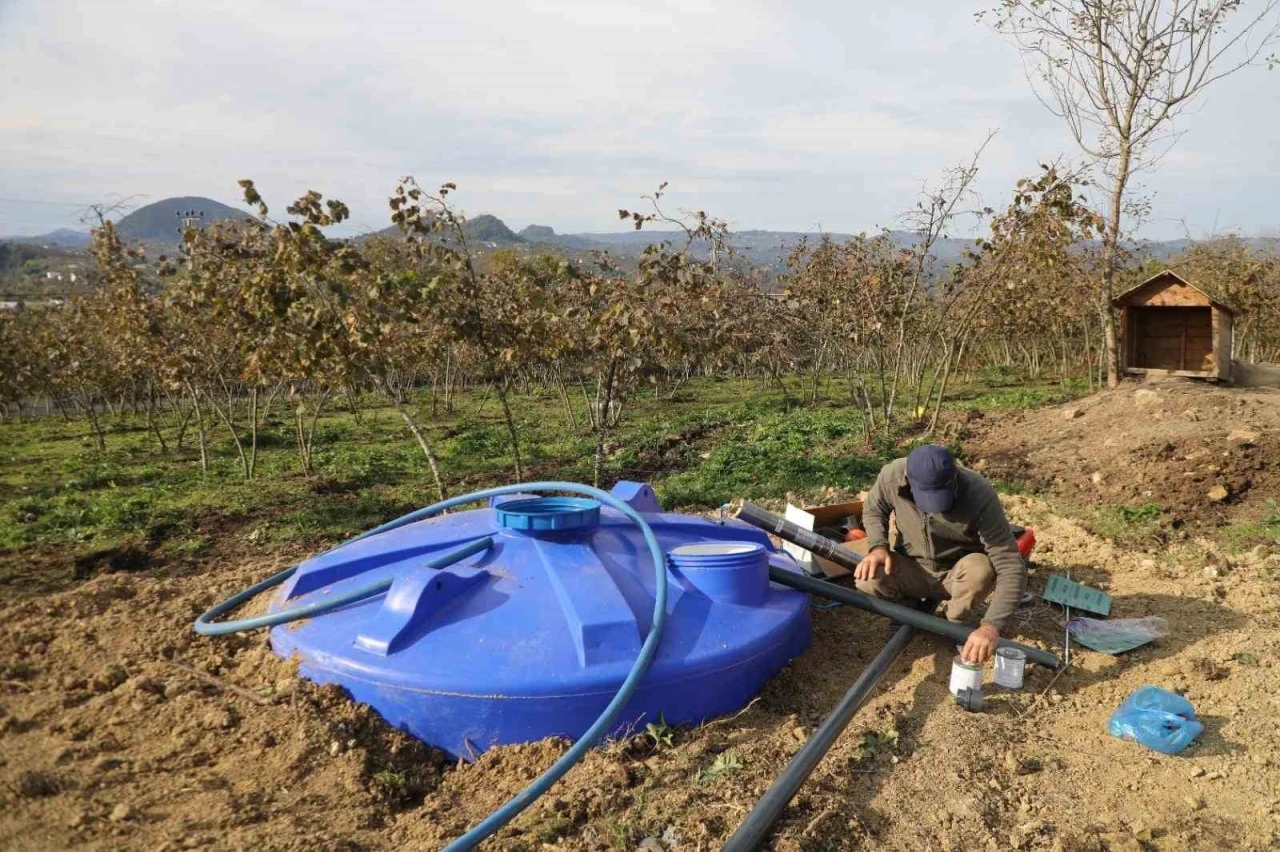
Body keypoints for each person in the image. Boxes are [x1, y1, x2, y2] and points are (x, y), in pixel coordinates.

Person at [854, 444, 1026, 664]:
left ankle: (954, 622)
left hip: (956, 575)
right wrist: (878, 546)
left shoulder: (978, 492)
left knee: (980, 569)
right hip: (912, 567)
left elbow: (1010, 563)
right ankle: (908, 611)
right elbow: (874, 509)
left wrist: (991, 626)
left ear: (955, 476)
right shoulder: (892, 476)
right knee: (868, 576)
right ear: (908, 479)